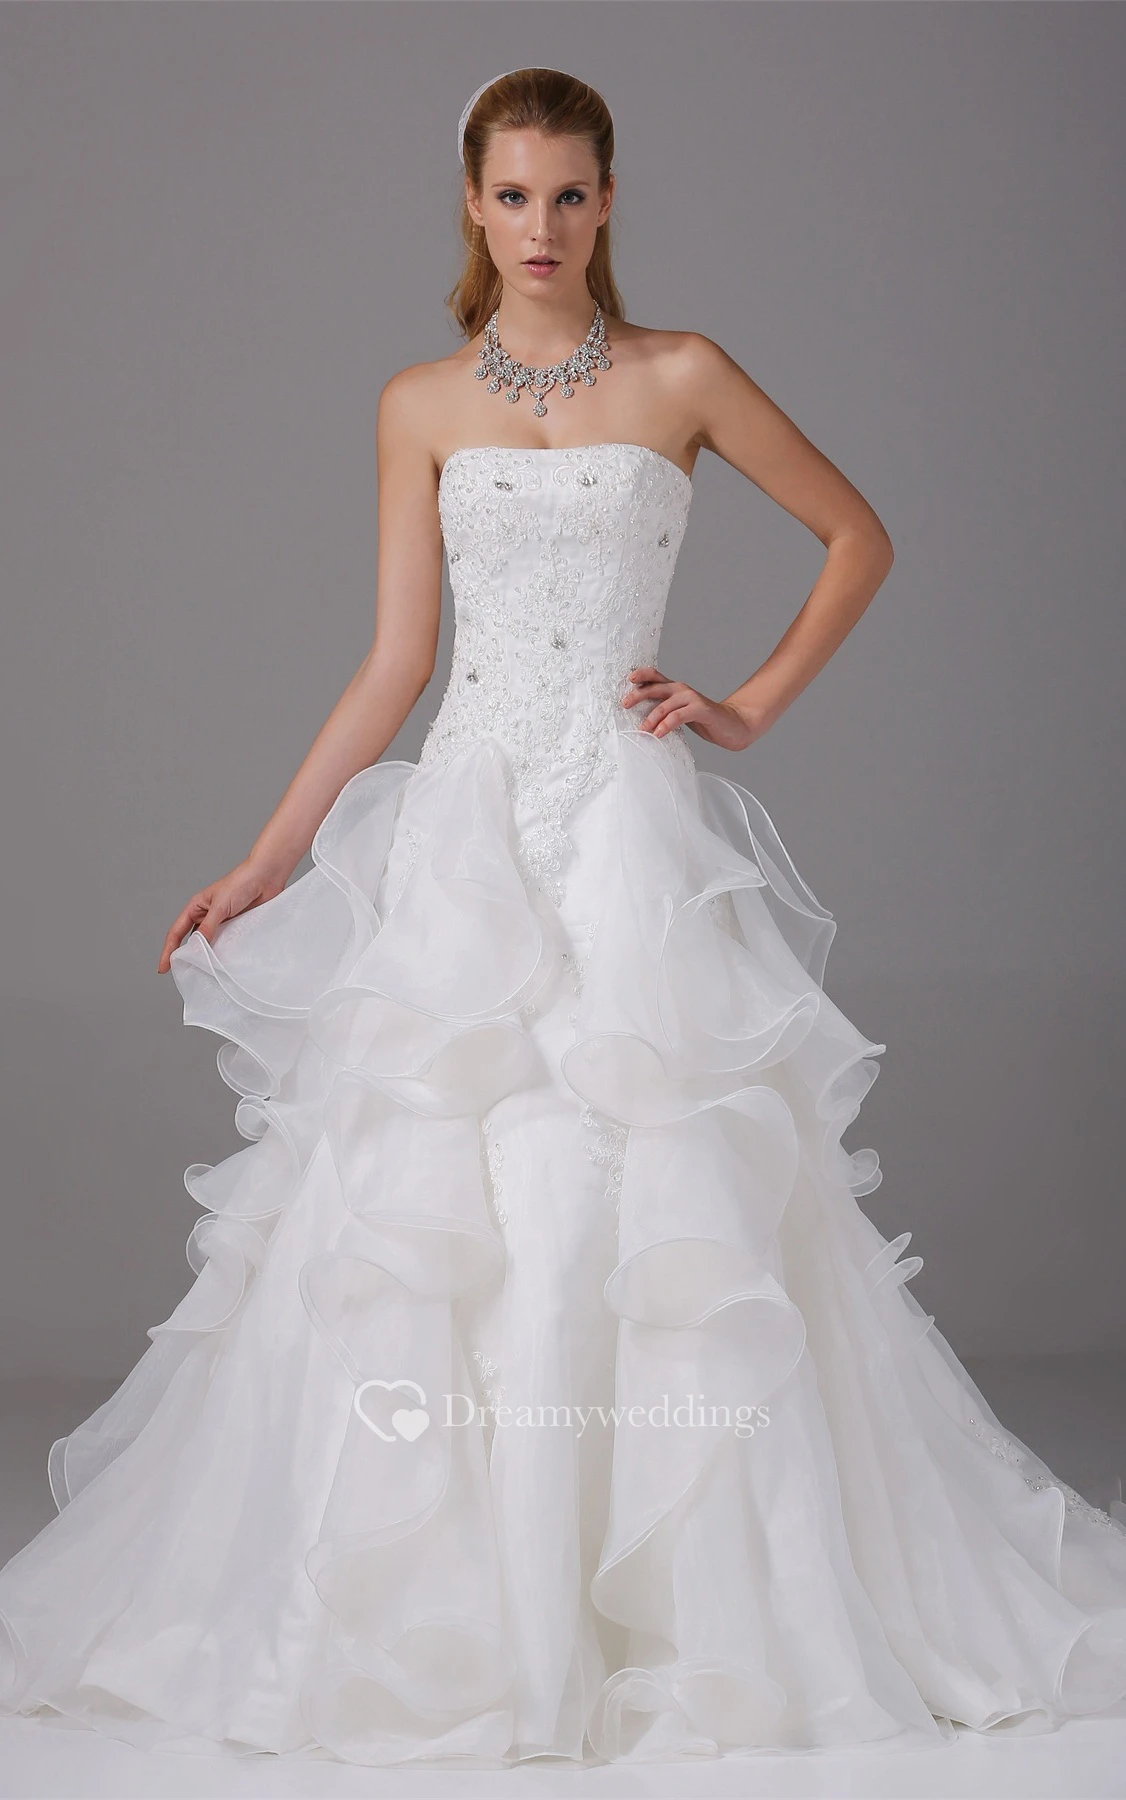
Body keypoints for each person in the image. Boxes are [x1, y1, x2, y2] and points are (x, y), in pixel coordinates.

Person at [1, 64, 1124, 1772]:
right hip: (466, 840)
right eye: (514, 195)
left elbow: (855, 536)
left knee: (645, 1189)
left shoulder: (683, 375)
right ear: (472, 203)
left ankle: (688, 1613)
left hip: (623, 839)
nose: (543, 226)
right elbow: (396, 662)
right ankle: (458, 1617)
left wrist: (747, 703)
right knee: (447, 1201)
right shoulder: (416, 403)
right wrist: (269, 858)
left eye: (572, 194)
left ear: (608, 201)